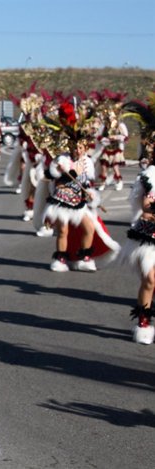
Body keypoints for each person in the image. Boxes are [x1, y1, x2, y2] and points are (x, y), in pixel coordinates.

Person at [41, 101, 120, 272]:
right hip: (62, 200)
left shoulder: (87, 162)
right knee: (63, 230)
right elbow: (50, 177)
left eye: (81, 148)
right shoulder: (62, 160)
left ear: (85, 148)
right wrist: (61, 171)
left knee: (89, 227)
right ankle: (61, 258)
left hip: (79, 201)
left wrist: (90, 195)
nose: (77, 150)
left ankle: (84, 257)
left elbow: (86, 183)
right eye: (75, 147)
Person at [120, 98, 155, 344]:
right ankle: (143, 321)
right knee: (150, 278)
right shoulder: (149, 176)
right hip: (150, 234)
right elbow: (144, 207)